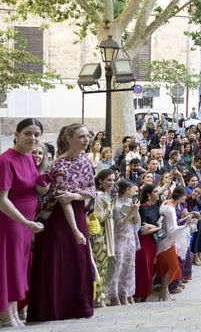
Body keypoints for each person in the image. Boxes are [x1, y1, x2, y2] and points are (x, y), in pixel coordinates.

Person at [28, 124, 97, 323]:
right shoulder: (58, 164)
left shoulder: (85, 160)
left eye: (87, 136)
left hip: (78, 211)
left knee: (79, 259)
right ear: (69, 138)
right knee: (58, 261)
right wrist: (75, 229)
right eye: (81, 136)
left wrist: (75, 194)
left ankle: (79, 307)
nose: (86, 140)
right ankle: (53, 309)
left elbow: (91, 191)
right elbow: (62, 200)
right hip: (59, 218)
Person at [0, 118, 46, 327]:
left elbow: (28, 188)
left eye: (36, 134)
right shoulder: (6, 160)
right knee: (8, 266)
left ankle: (13, 312)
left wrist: (41, 189)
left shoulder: (28, 157)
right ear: (16, 134)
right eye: (28, 133)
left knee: (18, 267)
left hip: (26, 224)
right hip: (10, 222)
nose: (33, 138)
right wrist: (26, 223)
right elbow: (2, 200)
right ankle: (6, 315)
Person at [106, 178, 140, 306]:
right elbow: (121, 223)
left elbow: (136, 221)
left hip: (130, 237)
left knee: (129, 268)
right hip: (119, 238)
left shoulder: (131, 202)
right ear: (126, 190)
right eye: (132, 189)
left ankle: (125, 293)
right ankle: (114, 295)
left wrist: (135, 210)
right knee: (117, 267)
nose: (134, 191)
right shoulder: (117, 204)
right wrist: (131, 211)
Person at [157, 186, 190, 301]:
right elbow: (172, 229)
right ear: (180, 197)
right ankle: (163, 291)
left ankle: (164, 291)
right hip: (167, 242)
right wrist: (185, 227)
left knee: (167, 267)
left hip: (164, 239)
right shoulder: (170, 209)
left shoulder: (165, 202)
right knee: (173, 267)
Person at [90, 169, 116, 308]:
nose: (111, 183)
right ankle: (98, 298)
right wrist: (110, 207)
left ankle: (100, 296)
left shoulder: (105, 195)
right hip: (99, 236)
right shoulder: (99, 196)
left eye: (113, 180)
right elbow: (99, 216)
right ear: (100, 181)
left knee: (104, 267)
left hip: (106, 234)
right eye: (108, 180)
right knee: (100, 267)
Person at [134, 184, 162, 302]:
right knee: (142, 267)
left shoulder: (158, 207)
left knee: (150, 267)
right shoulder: (143, 208)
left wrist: (153, 227)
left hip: (153, 241)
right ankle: (137, 293)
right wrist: (156, 227)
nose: (158, 194)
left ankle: (145, 293)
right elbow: (142, 230)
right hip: (143, 241)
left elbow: (159, 224)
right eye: (155, 192)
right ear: (148, 194)